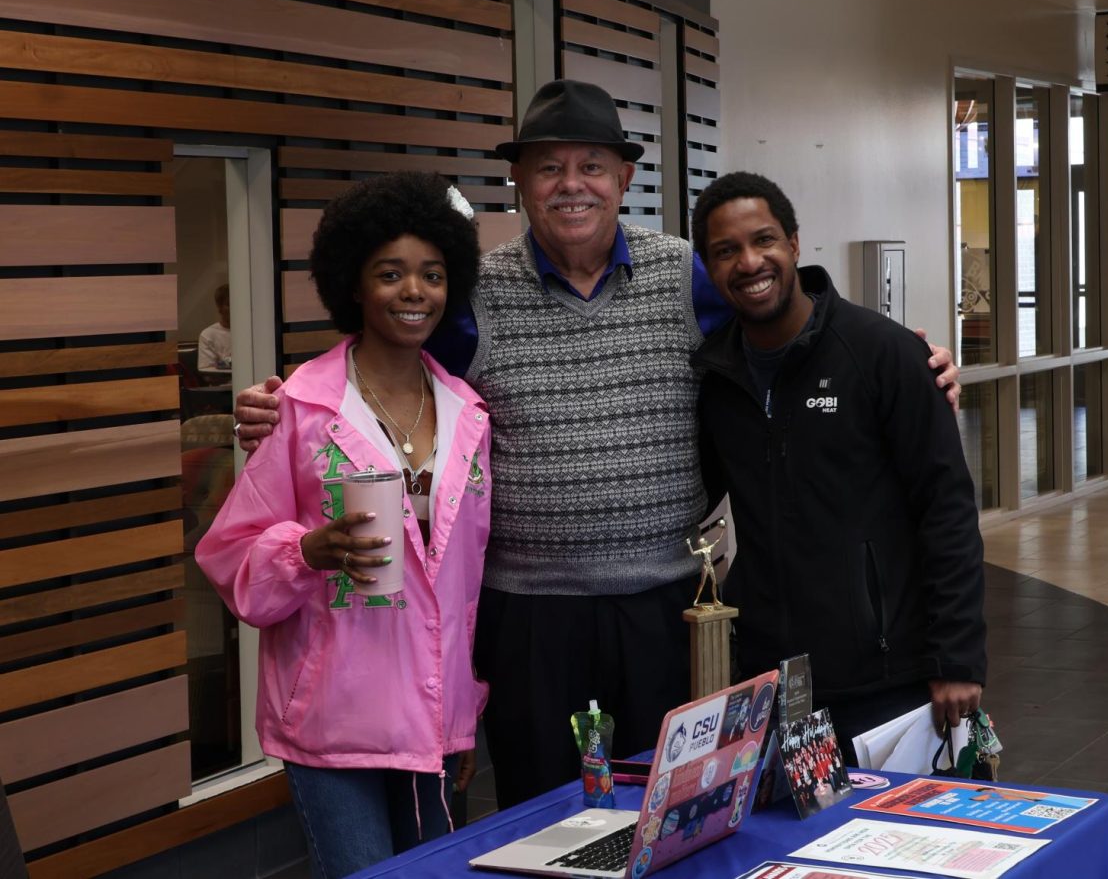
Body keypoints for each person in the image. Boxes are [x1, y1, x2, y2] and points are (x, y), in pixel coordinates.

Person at [231, 80, 963, 809]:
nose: (570, 186)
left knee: (679, 806)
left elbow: (788, 322)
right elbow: (383, 357)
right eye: (548, 168)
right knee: (542, 813)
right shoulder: (473, 294)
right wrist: (282, 402)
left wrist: (901, 357)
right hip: (527, 617)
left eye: (591, 166)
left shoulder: (687, 275)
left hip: (670, 608)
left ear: (625, 178)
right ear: (518, 181)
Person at [196, 172, 489, 879]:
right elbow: (231, 558)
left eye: (432, 274)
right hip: (333, 720)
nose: (413, 292)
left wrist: (467, 706)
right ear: (353, 285)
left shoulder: (468, 414)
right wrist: (307, 551)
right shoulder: (299, 406)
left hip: (436, 716)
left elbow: (469, 575)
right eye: (390, 274)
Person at [689, 171, 986, 759]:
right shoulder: (717, 379)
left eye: (764, 240)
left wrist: (957, 657)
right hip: (774, 684)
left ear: (795, 244)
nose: (749, 262)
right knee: (797, 845)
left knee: (897, 844)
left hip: (887, 680)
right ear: (708, 266)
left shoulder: (884, 354)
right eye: (726, 251)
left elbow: (946, 510)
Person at [197, 283, 232, 374]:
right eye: (229, 304)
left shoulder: (253, 333)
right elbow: (207, 373)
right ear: (219, 307)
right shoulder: (208, 335)